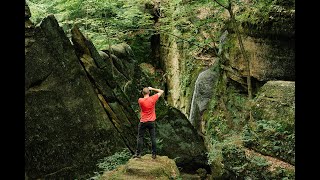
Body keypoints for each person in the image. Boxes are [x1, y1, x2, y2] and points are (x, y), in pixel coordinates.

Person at [133, 86, 164, 159]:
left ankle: (138, 154)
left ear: (142, 93)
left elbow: (144, 97)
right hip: (151, 122)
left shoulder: (140, 100)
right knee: (153, 137)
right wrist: (152, 89)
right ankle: (154, 154)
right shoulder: (153, 98)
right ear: (149, 92)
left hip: (143, 121)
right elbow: (161, 91)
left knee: (140, 137)